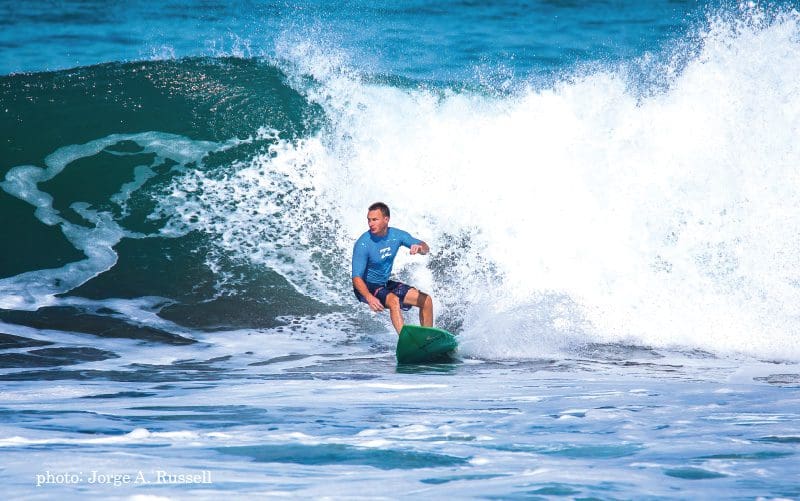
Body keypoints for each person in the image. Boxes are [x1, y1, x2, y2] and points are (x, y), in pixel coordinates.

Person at [352, 202, 433, 334]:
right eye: (369, 220)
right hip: (366, 287)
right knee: (393, 301)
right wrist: (369, 297)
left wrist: (420, 248)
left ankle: (428, 338)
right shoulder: (363, 243)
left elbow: (425, 247)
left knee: (426, 300)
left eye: (375, 219)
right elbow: (356, 278)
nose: (371, 224)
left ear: (386, 219)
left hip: (383, 284)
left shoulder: (396, 235)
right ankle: (406, 341)